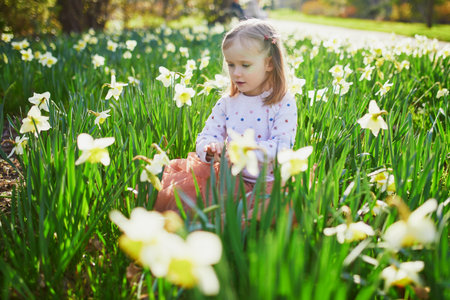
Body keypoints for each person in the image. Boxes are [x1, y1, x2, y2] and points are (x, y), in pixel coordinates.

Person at [154, 19, 297, 219]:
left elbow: (282, 147)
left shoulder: (283, 102)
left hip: (269, 182)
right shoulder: (228, 103)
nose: (236, 73)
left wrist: (244, 151)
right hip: (228, 180)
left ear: (269, 64)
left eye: (245, 65)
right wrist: (210, 149)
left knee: (259, 216)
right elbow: (206, 136)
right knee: (198, 211)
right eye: (231, 65)